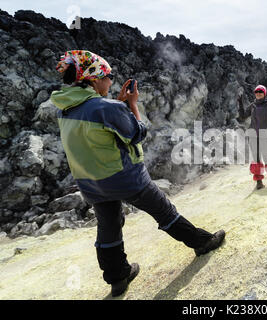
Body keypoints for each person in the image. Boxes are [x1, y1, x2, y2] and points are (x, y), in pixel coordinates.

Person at [51, 50, 225, 297]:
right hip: (125, 178)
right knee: (164, 212)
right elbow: (137, 133)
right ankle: (202, 242)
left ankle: (117, 277)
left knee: (108, 227)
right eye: (108, 75)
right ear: (93, 78)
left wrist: (119, 106)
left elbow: (97, 136)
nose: (111, 81)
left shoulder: (65, 110)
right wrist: (131, 104)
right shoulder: (107, 107)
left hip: (90, 184)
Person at [237, 85, 267, 189]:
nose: (258, 93)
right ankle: (259, 182)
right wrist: (240, 103)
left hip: (265, 136)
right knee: (256, 159)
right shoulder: (252, 106)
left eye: (260, 91)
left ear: (264, 93)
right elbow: (242, 116)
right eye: (256, 91)